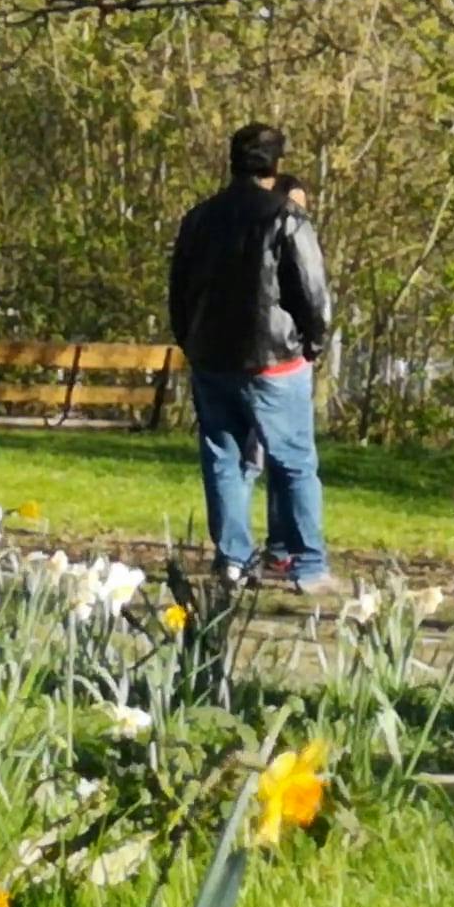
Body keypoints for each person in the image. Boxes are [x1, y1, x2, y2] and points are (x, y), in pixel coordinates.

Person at [169, 124, 332, 590]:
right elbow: (310, 290)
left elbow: (178, 290)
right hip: (275, 358)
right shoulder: (287, 218)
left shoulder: (199, 218)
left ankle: (233, 560)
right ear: (276, 165)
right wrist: (312, 343)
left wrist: (191, 340)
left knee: (224, 458)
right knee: (294, 462)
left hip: (212, 357)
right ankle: (307, 563)